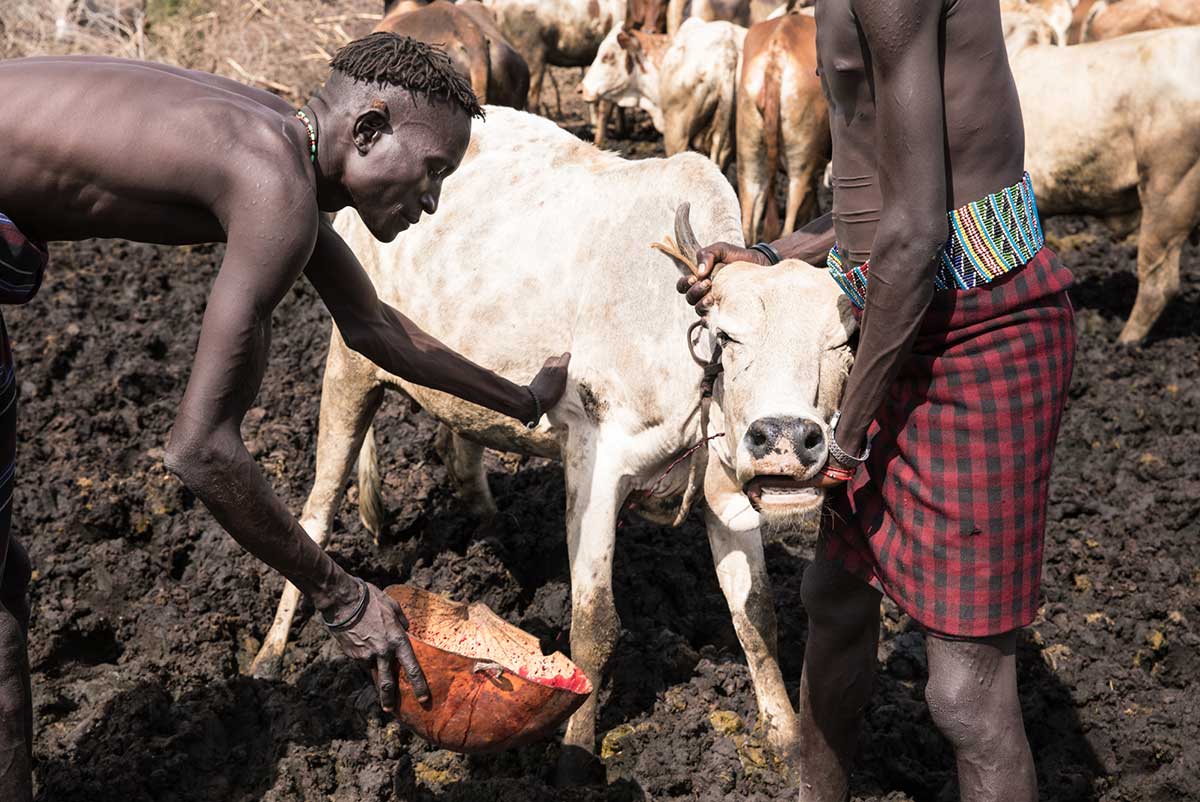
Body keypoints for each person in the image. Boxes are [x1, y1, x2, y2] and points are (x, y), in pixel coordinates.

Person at [0, 33, 570, 800]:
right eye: (432, 170)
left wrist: (522, 401)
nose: (432, 200)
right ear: (368, 130)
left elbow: (375, 328)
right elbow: (199, 449)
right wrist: (342, 598)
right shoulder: (274, 184)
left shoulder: (280, 144)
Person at [680, 1, 1076, 799]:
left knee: (965, 698)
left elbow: (921, 231)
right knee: (833, 600)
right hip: (896, 315)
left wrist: (846, 436)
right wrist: (770, 249)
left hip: (978, 332)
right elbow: (880, 200)